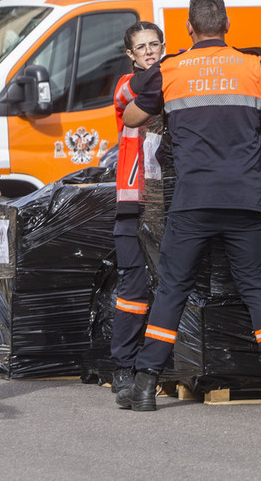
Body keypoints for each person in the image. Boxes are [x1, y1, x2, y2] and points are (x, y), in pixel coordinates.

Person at [116, 0, 261, 411]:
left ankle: (143, 387)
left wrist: (158, 105)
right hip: (245, 199)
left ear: (189, 29)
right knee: (257, 288)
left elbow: (132, 117)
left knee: (173, 288)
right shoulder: (252, 66)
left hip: (193, 202)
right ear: (227, 25)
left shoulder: (171, 68)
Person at [109, 21, 166, 394]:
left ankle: (158, 364)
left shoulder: (169, 80)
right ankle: (123, 366)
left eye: (154, 44)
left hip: (165, 199)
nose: (148, 51)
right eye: (141, 47)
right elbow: (140, 89)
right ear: (130, 55)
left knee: (167, 283)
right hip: (133, 200)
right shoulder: (130, 85)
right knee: (133, 285)